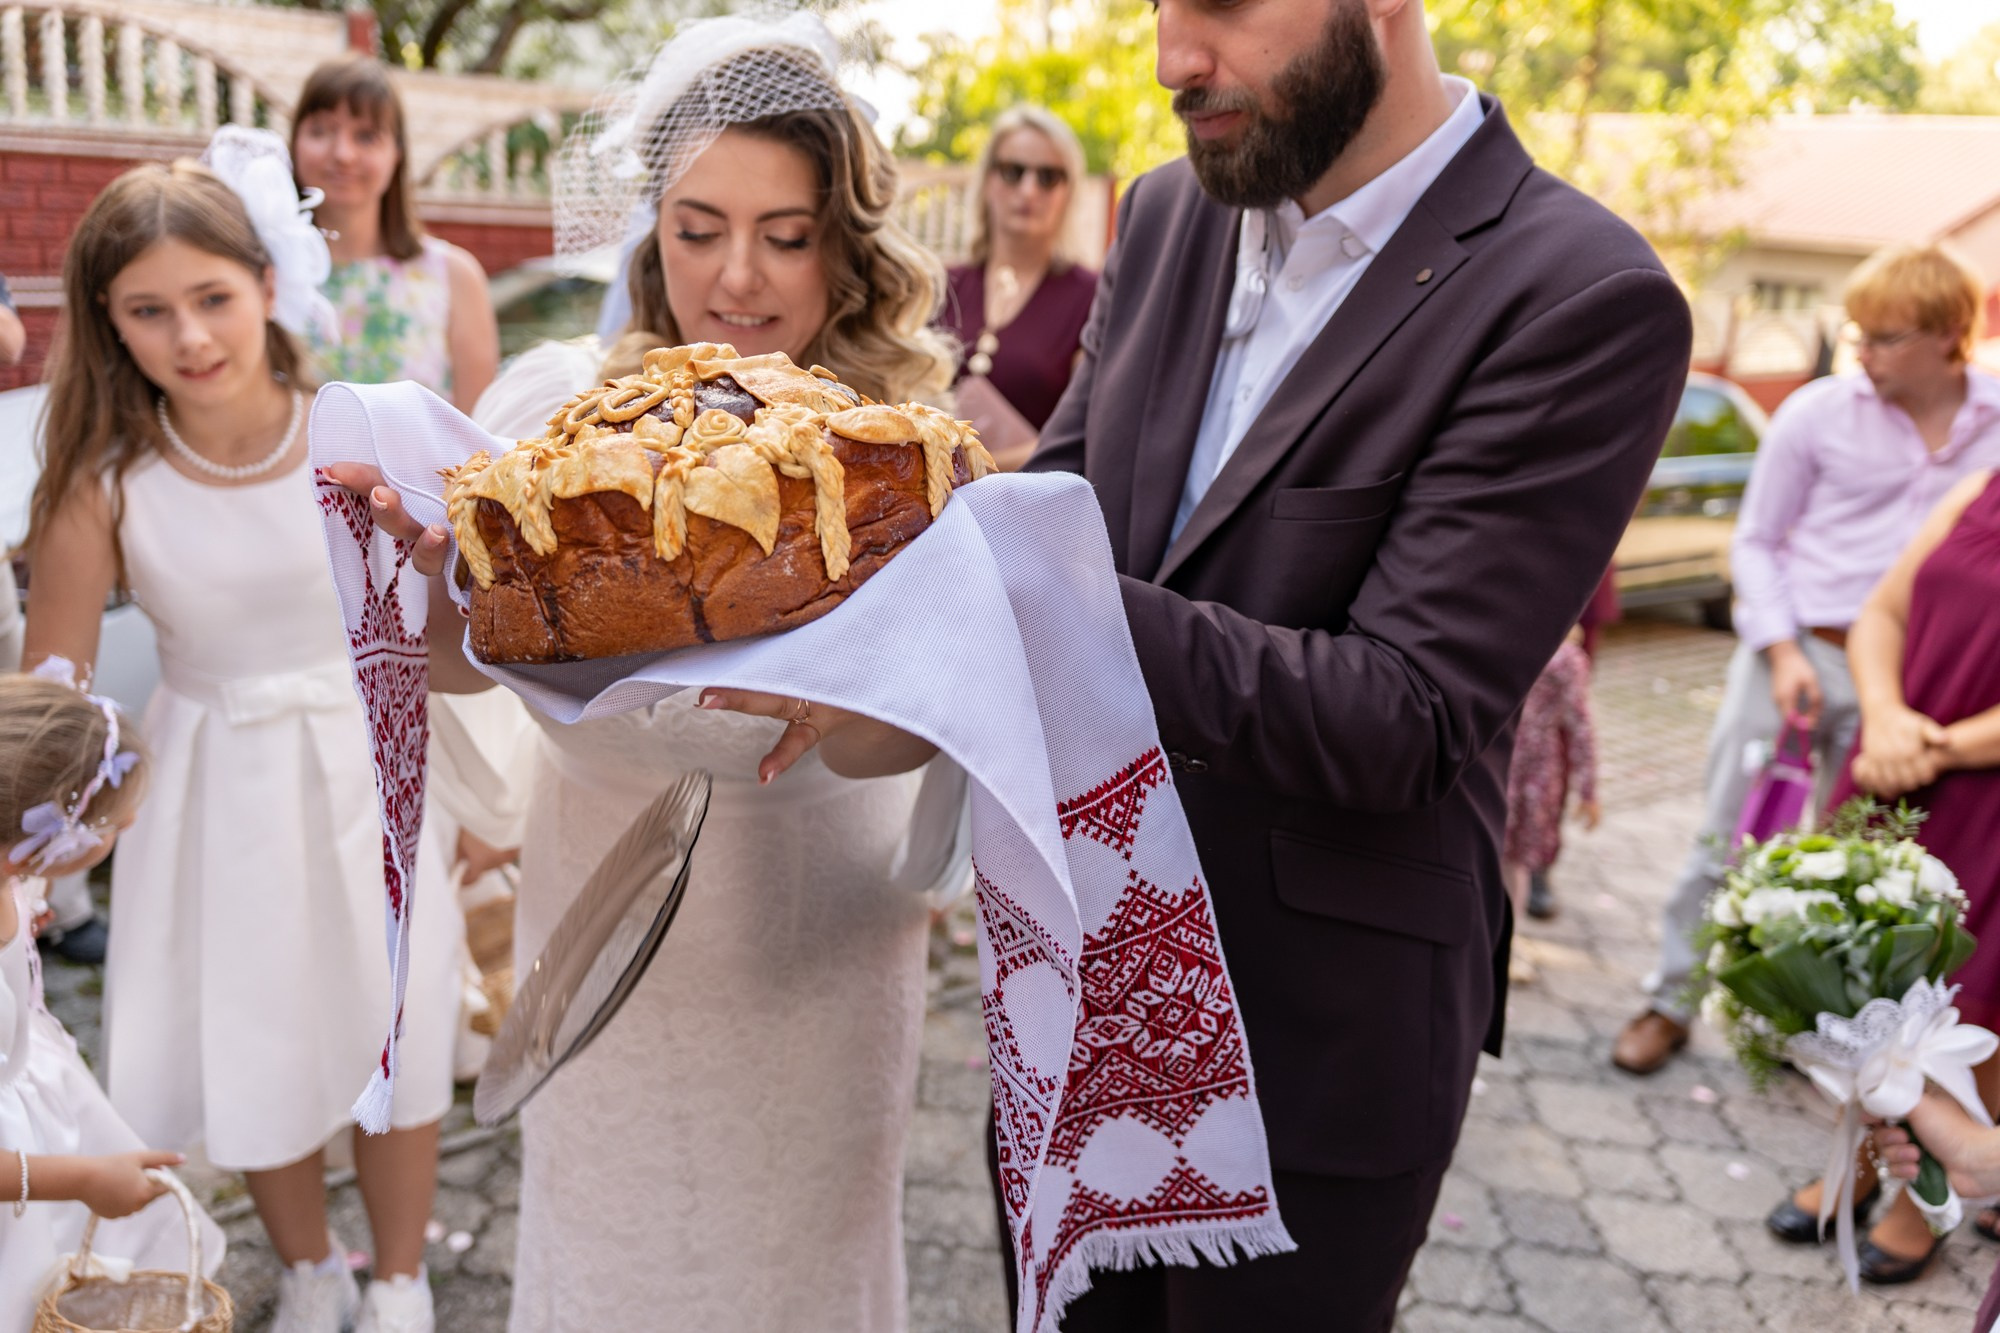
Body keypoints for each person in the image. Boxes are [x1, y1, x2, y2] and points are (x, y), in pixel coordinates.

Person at [983, 0, 1693, 1324]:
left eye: (1222, 6)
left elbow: (1403, 713)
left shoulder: (1581, 293)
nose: (1172, 59)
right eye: (1153, 5)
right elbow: (1066, 500)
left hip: (1311, 1047)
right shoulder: (1166, 210)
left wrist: (1005, 568)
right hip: (1077, 994)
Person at [329, 14, 959, 1330]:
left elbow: (926, 739)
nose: (738, 276)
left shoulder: (899, 452)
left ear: (846, 241)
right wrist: (425, 573)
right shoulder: (558, 419)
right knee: (620, 1267)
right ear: (648, 226)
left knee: (804, 1282)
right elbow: (466, 666)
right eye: (697, 226)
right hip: (608, 930)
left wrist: (848, 702)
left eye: (786, 233)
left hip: (823, 937)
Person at [21, 131, 459, 1333]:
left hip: (372, 768)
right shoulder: (104, 481)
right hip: (215, 786)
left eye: (213, 297)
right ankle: (312, 1266)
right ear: (110, 326)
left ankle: (401, 1276)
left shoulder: (359, 433)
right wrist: (42, 845)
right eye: (148, 312)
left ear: (270, 282)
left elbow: (445, 619)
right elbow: (57, 693)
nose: (192, 338)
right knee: (261, 1029)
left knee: (396, 1024)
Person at [1615, 243, 2000, 1079]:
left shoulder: (1996, 421)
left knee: (1859, 866)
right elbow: (1753, 542)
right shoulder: (1817, 412)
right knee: (1732, 835)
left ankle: (1816, 1024)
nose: (1861, 352)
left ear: (1947, 335)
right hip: (1798, 658)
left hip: (1906, 687)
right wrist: (1783, 650)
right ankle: (1669, 1000)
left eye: (1885, 336)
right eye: (1855, 331)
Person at [1777, 464, 2000, 1285]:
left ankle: (1929, 1195)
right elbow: (1884, 611)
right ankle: (1859, 1155)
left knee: (1976, 992)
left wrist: (1934, 745)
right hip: (1898, 757)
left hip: (1981, 781)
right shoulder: (1984, 481)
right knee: (1868, 984)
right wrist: (1886, 713)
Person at [0, 668, 227, 1332]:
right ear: (35, 836)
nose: (128, 822)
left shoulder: (13, 879)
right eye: (109, 818)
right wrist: (79, 1179)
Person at [292, 54, 498, 411]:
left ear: (397, 152)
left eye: (366, 136)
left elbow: (476, 437)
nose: (343, 154)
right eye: (321, 131)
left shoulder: (455, 278)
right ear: (294, 142)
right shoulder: (262, 276)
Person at [937, 105, 1097, 469]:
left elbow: (1083, 433)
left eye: (1048, 177)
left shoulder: (1092, 298)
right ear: (988, 180)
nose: (1028, 190)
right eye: (1013, 171)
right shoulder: (943, 286)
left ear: (1069, 191)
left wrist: (970, 470)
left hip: (1028, 506)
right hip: (927, 506)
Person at [1504, 627, 1600, 927]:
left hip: (1509, 758)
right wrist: (1589, 791)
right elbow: (1580, 727)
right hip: (1533, 767)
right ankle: (1507, 943)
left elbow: (1579, 727)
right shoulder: (1566, 658)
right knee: (1515, 860)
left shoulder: (1511, 639)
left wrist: (1588, 789)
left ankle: (1504, 941)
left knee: (1506, 856)